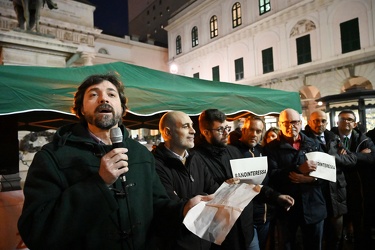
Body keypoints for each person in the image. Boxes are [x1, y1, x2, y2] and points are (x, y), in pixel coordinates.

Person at [17, 74, 211, 250]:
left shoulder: (140, 155)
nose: (103, 98)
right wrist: (98, 184)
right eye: (93, 95)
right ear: (81, 110)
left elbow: (158, 207)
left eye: (111, 94)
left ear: (122, 108)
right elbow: (37, 231)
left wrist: (184, 208)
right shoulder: (53, 157)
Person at [194, 109, 295, 250]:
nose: (226, 133)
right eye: (220, 129)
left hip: (245, 225)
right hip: (219, 231)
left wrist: (276, 196)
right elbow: (201, 195)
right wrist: (226, 187)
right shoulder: (195, 158)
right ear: (206, 132)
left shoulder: (233, 152)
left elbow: (250, 184)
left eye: (227, 128)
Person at [152, 111, 219, 250]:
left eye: (192, 126)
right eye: (185, 126)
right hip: (176, 244)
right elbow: (169, 206)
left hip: (203, 240)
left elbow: (214, 190)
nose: (193, 131)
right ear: (168, 133)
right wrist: (193, 202)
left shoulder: (196, 159)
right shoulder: (154, 164)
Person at [263, 108, 327, 250]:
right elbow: (272, 177)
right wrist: (298, 169)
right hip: (287, 208)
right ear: (279, 124)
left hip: (313, 206)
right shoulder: (270, 149)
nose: (290, 126)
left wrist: (310, 180)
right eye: (285, 122)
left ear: (301, 123)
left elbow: (326, 173)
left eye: (294, 122)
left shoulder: (313, 143)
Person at [304, 110, 357, 250]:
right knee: (317, 239)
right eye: (316, 120)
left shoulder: (333, 138)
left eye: (323, 121)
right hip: (317, 192)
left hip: (336, 193)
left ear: (327, 122)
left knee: (336, 237)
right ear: (309, 122)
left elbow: (351, 159)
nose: (319, 124)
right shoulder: (303, 139)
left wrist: (332, 159)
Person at [330, 109, 375, 250]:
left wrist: (347, 156)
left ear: (354, 123)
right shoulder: (330, 139)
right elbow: (331, 158)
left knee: (360, 224)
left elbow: (371, 158)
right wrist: (357, 157)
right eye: (343, 119)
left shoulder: (365, 139)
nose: (346, 121)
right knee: (337, 228)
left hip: (357, 187)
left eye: (350, 119)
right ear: (337, 122)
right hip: (336, 188)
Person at [229, 115, 274, 250]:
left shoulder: (262, 151)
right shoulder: (231, 151)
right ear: (243, 130)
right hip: (245, 219)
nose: (254, 134)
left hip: (264, 216)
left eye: (258, 131)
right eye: (251, 130)